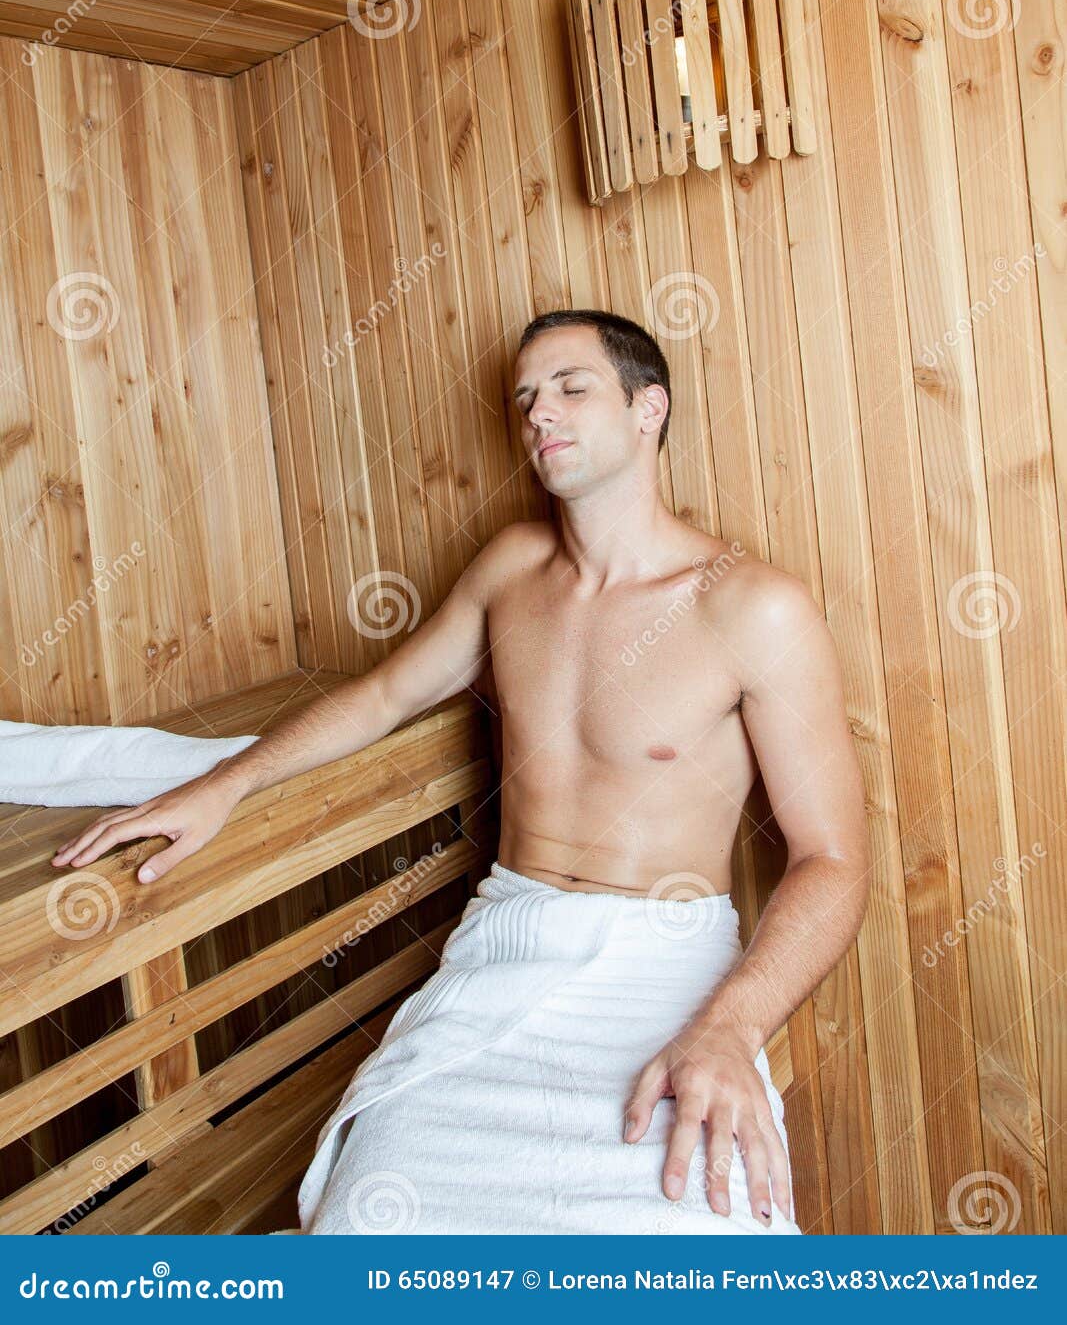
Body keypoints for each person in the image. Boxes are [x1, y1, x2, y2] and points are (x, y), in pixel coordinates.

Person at [52, 308, 869, 1235]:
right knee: (371, 1225)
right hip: (502, 951)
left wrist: (730, 1026)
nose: (538, 414)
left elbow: (831, 859)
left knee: (685, 1235)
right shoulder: (512, 571)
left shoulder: (751, 606)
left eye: (570, 388)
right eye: (525, 399)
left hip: (660, 970)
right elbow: (383, 695)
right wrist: (226, 783)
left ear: (649, 409)